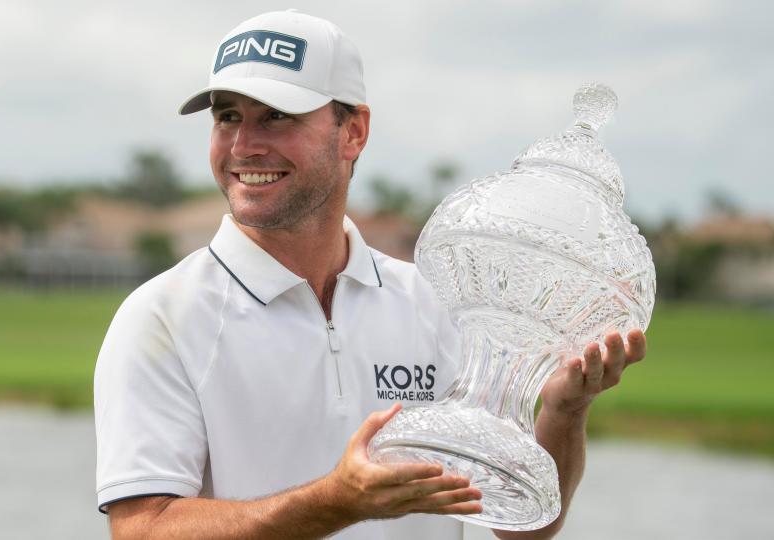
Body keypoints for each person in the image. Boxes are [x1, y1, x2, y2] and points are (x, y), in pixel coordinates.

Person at [94, 9, 647, 540]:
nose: (244, 145)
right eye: (227, 116)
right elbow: (143, 529)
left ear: (353, 131)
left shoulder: (435, 303)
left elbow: (522, 528)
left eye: (277, 116)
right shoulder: (162, 316)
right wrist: (337, 501)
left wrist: (563, 412)